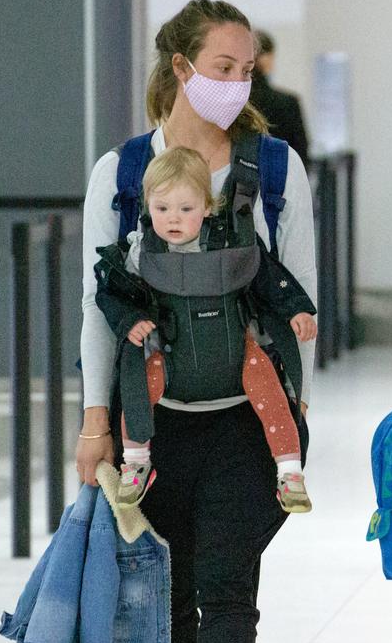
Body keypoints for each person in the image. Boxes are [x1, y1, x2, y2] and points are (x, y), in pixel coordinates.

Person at [76, 0, 317, 643]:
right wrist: (94, 422)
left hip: (249, 422)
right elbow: (97, 307)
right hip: (155, 422)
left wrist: (297, 425)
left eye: (246, 69)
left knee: (231, 579)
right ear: (181, 68)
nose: (237, 82)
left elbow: (299, 300)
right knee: (169, 582)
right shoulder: (121, 174)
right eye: (223, 67)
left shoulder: (275, 169)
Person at [93, 145, 316, 512]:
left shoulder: (235, 241)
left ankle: (290, 472)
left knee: (272, 391)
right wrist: (129, 320)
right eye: (161, 209)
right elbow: (110, 293)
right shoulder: (140, 251)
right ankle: (135, 462)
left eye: (186, 209)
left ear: (208, 206)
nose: (173, 219)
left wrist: (297, 311)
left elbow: (270, 278)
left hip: (237, 351)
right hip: (170, 356)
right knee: (137, 390)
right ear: (148, 205)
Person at [249, 29, 309, 166]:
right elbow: (301, 154)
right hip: (281, 176)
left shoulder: (235, 101)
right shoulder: (288, 102)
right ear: (267, 58)